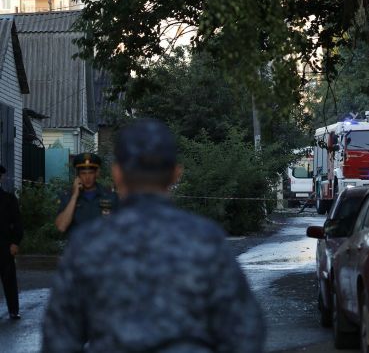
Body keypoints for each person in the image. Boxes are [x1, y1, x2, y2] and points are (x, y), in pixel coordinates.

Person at [42, 119, 266, 352]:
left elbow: (59, 339)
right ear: (175, 174)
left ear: (117, 174)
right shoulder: (205, 239)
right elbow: (246, 331)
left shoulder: (87, 244)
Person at [54, 152, 119, 233]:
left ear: (96, 173)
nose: (87, 177)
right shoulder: (67, 197)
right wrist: (74, 197)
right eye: (83, 173)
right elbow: (61, 227)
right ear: (77, 175)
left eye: (91, 173)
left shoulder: (110, 196)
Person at [0, 164, 23, 320]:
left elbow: (18, 223)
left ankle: (13, 310)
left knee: (9, 279)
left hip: (4, 246)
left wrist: (15, 242)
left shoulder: (8, 199)